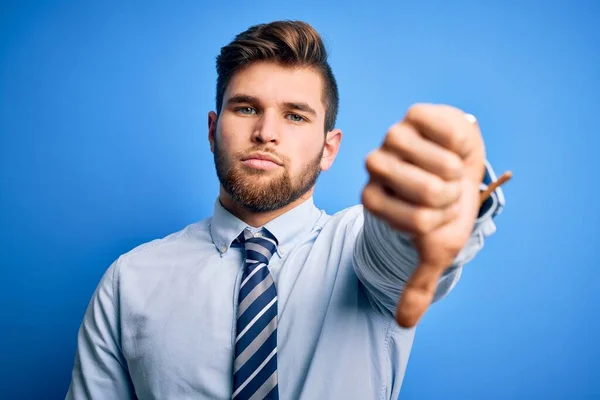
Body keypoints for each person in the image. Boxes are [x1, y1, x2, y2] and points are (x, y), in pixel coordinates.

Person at [66, 20, 506, 400]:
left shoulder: (358, 249)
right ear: (213, 129)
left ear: (328, 148)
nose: (266, 132)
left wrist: (447, 196)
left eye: (295, 116)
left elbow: (400, 245)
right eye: (246, 108)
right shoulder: (131, 280)